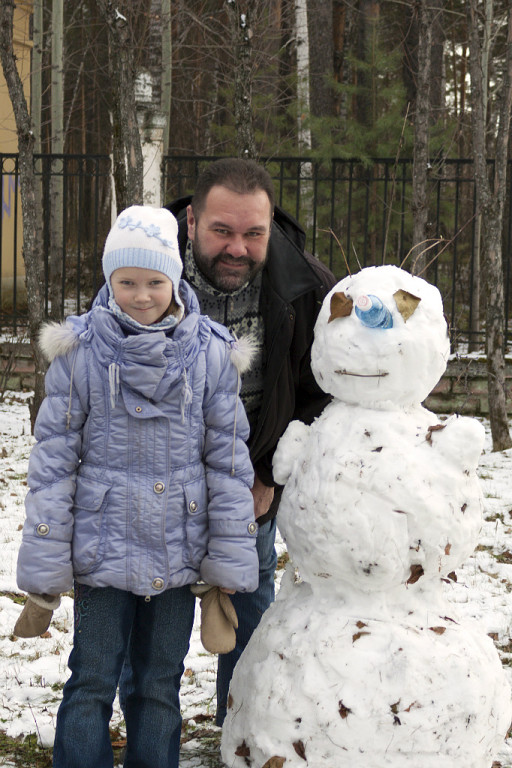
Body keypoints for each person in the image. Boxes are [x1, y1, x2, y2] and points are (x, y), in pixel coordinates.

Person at [14, 205, 259, 768]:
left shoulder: (211, 354)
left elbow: (228, 464)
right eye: (126, 282)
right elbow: (54, 462)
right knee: (92, 679)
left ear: (174, 280)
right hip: (102, 551)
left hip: (178, 552)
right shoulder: (80, 352)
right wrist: (46, 561)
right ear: (109, 280)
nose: (141, 296)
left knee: (159, 684)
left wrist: (227, 555)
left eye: (154, 282)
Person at [168, 158, 337, 725]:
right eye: (222, 230)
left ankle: (238, 734)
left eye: (253, 234)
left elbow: (320, 396)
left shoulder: (305, 287)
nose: (237, 248)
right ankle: (153, 738)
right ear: (192, 221)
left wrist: (269, 477)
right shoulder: (142, 271)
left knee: (251, 626)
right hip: (156, 491)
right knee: (153, 636)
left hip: (249, 491)